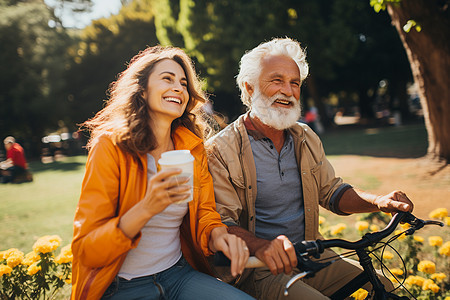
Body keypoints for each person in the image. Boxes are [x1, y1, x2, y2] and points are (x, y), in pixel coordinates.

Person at [206, 38, 414, 300]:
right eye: (276, 80)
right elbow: (221, 223)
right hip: (258, 268)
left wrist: (381, 201)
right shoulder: (220, 150)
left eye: (295, 83)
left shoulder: (304, 136)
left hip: (311, 255)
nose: (288, 91)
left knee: (384, 288)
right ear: (249, 88)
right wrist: (263, 246)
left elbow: (332, 192)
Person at [71, 46, 254, 300]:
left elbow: (205, 214)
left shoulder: (191, 147)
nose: (179, 88)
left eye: (183, 83)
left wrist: (219, 235)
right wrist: (146, 207)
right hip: (122, 286)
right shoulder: (110, 147)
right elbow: (87, 250)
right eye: (167, 79)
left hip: (178, 275)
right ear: (142, 90)